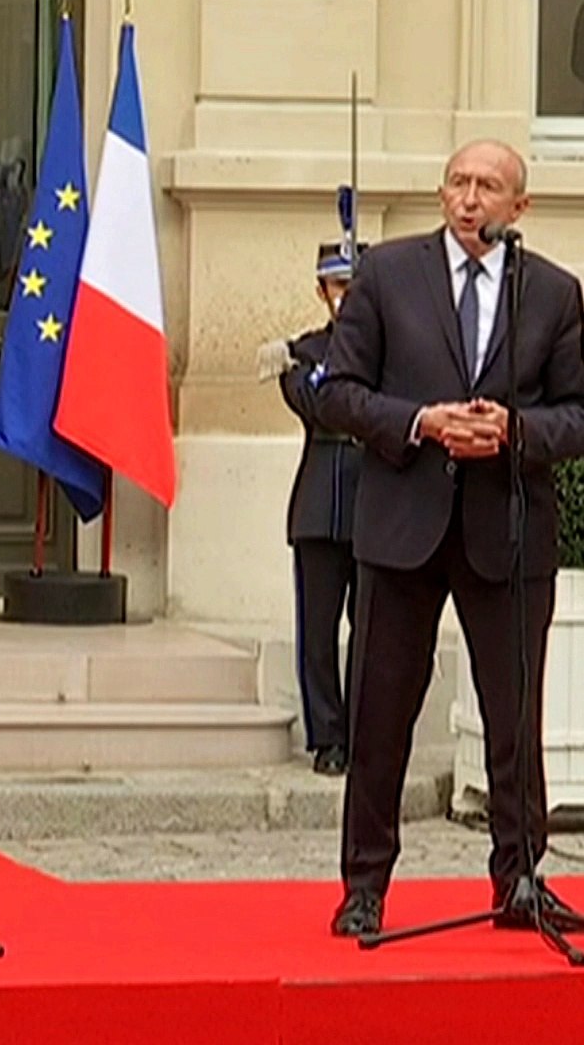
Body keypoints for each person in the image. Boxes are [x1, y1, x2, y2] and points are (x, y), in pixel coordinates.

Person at [318, 139, 584, 937]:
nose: (471, 200)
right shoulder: (387, 276)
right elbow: (337, 394)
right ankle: (364, 882)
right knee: (381, 714)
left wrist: (516, 431)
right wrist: (419, 422)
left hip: (505, 529)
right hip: (403, 523)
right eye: (459, 184)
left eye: (489, 188)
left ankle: (520, 878)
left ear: (519, 209)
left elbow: (576, 413)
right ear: (442, 195)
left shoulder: (553, 293)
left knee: (516, 715)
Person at [276, 239, 366, 776]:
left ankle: (364, 729)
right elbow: (317, 404)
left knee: (373, 626)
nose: (348, 296)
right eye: (338, 286)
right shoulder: (306, 351)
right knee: (318, 628)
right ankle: (327, 735)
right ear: (322, 291)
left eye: (357, 286)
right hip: (318, 501)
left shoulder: (392, 352)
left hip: (374, 502)